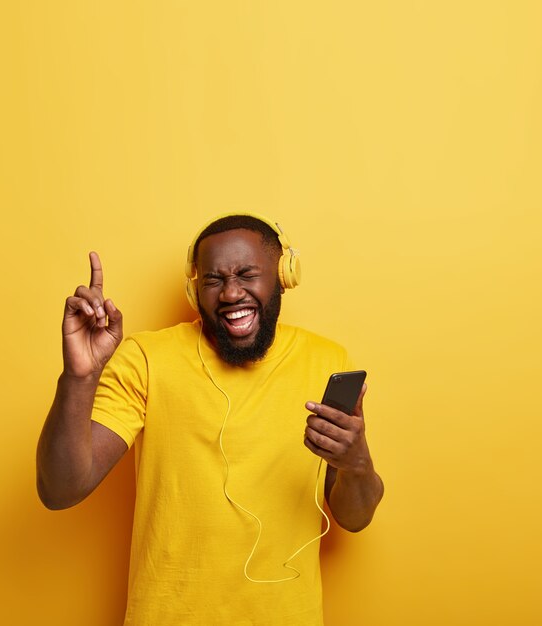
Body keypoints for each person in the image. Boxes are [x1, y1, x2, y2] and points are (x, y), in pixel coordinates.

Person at [37, 213, 384, 626]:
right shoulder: (147, 359)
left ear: (283, 275)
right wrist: (79, 377)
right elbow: (59, 489)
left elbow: (355, 518)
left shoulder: (327, 361)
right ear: (194, 288)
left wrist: (356, 461)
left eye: (247, 274)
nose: (231, 293)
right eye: (213, 280)